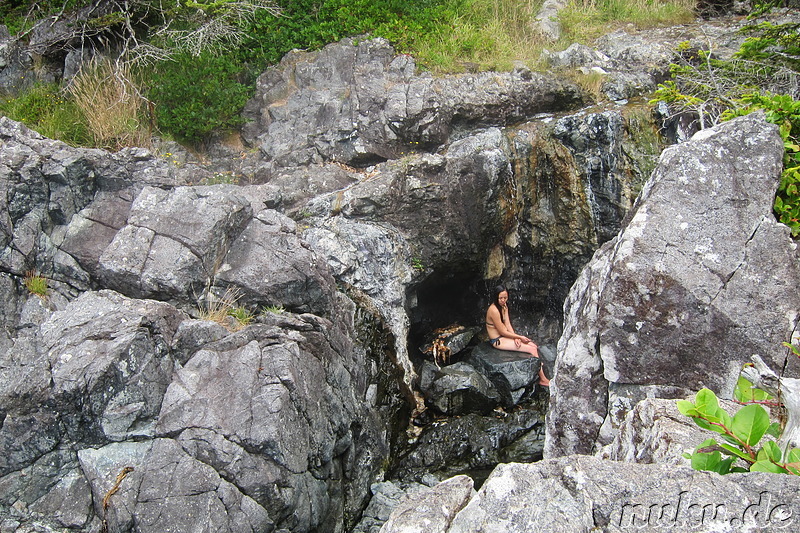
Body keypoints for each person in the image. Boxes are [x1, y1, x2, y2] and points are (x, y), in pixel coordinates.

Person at [485, 284, 550, 386]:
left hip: (505, 336)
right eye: (500, 298)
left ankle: (537, 365)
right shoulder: (493, 310)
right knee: (531, 349)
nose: (503, 300)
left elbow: (507, 324)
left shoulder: (504, 306)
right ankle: (543, 379)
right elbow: (502, 331)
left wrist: (515, 337)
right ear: (495, 297)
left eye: (505, 298)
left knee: (533, 345)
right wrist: (519, 337)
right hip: (498, 340)